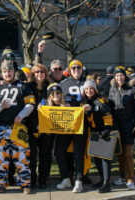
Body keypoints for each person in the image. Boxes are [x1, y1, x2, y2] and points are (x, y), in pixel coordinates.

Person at [0, 61, 35, 194]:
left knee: (22, 157)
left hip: (18, 127)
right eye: (5, 71)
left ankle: (25, 184)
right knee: (0, 157)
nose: (8, 73)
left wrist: (21, 115)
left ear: (14, 72)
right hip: (0, 127)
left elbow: (31, 103)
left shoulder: (23, 86)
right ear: (1, 73)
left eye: (10, 71)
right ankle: (1, 183)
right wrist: (0, 107)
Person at [56, 59, 88, 193]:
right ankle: (66, 178)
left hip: (81, 123)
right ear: (69, 70)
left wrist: (90, 106)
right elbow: (54, 99)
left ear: (82, 69)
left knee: (78, 153)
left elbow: (95, 98)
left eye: (78, 68)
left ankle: (79, 180)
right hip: (65, 123)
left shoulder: (87, 83)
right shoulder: (62, 84)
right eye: (73, 68)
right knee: (59, 152)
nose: (76, 70)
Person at [109, 66, 135, 190]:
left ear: (125, 76)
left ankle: (130, 179)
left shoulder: (132, 89)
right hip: (117, 125)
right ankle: (122, 176)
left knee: (127, 153)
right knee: (120, 153)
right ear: (114, 77)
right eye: (117, 75)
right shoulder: (112, 89)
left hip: (128, 125)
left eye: (121, 75)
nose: (119, 77)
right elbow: (111, 106)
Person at [82, 80, 114, 193]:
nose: (89, 91)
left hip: (103, 131)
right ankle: (101, 180)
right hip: (94, 133)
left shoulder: (100, 101)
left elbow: (107, 115)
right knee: (97, 158)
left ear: (95, 90)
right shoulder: (85, 102)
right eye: (86, 89)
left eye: (91, 88)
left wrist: (107, 128)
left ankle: (106, 183)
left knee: (104, 158)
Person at [26, 63, 52, 189]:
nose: (39, 74)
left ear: (45, 74)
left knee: (45, 155)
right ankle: (32, 179)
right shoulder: (28, 86)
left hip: (46, 126)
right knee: (31, 155)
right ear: (33, 74)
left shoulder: (50, 87)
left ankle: (43, 180)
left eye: (42, 71)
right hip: (31, 125)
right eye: (37, 72)